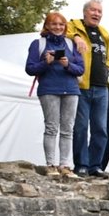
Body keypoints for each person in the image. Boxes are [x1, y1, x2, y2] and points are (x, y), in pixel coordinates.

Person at [25, 11, 84, 178]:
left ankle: (65, 165)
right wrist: (46, 63)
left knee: (68, 130)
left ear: (65, 27)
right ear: (47, 26)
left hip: (71, 89)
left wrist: (67, 65)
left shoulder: (71, 44)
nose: (58, 27)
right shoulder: (38, 43)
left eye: (61, 24)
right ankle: (51, 165)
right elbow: (30, 68)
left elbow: (81, 69)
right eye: (54, 24)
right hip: (49, 89)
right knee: (51, 128)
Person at [66, 0, 109, 178]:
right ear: (85, 12)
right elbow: (61, 30)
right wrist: (75, 37)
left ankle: (94, 165)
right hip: (82, 85)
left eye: (99, 11)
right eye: (93, 10)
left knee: (100, 128)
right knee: (81, 127)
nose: (96, 14)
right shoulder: (74, 25)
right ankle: (81, 164)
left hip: (102, 87)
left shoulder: (103, 32)